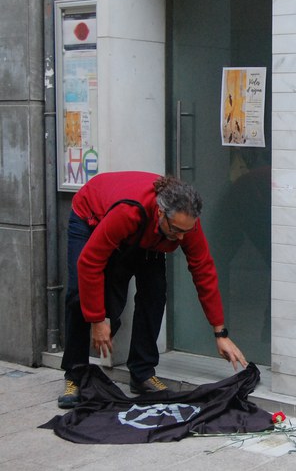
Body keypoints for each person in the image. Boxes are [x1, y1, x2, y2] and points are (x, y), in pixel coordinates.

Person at [58, 171, 248, 409]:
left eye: (185, 232)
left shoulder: (184, 223)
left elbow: (203, 271)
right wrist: (98, 319)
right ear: (161, 212)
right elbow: (89, 263)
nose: (180, 238)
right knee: (79, 295)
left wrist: (220, 333)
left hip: (149, 234)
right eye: (177, 230)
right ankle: (74, 375)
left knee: (155, 293)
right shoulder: (130, 211)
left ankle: (142, 372)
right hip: (91, 216)